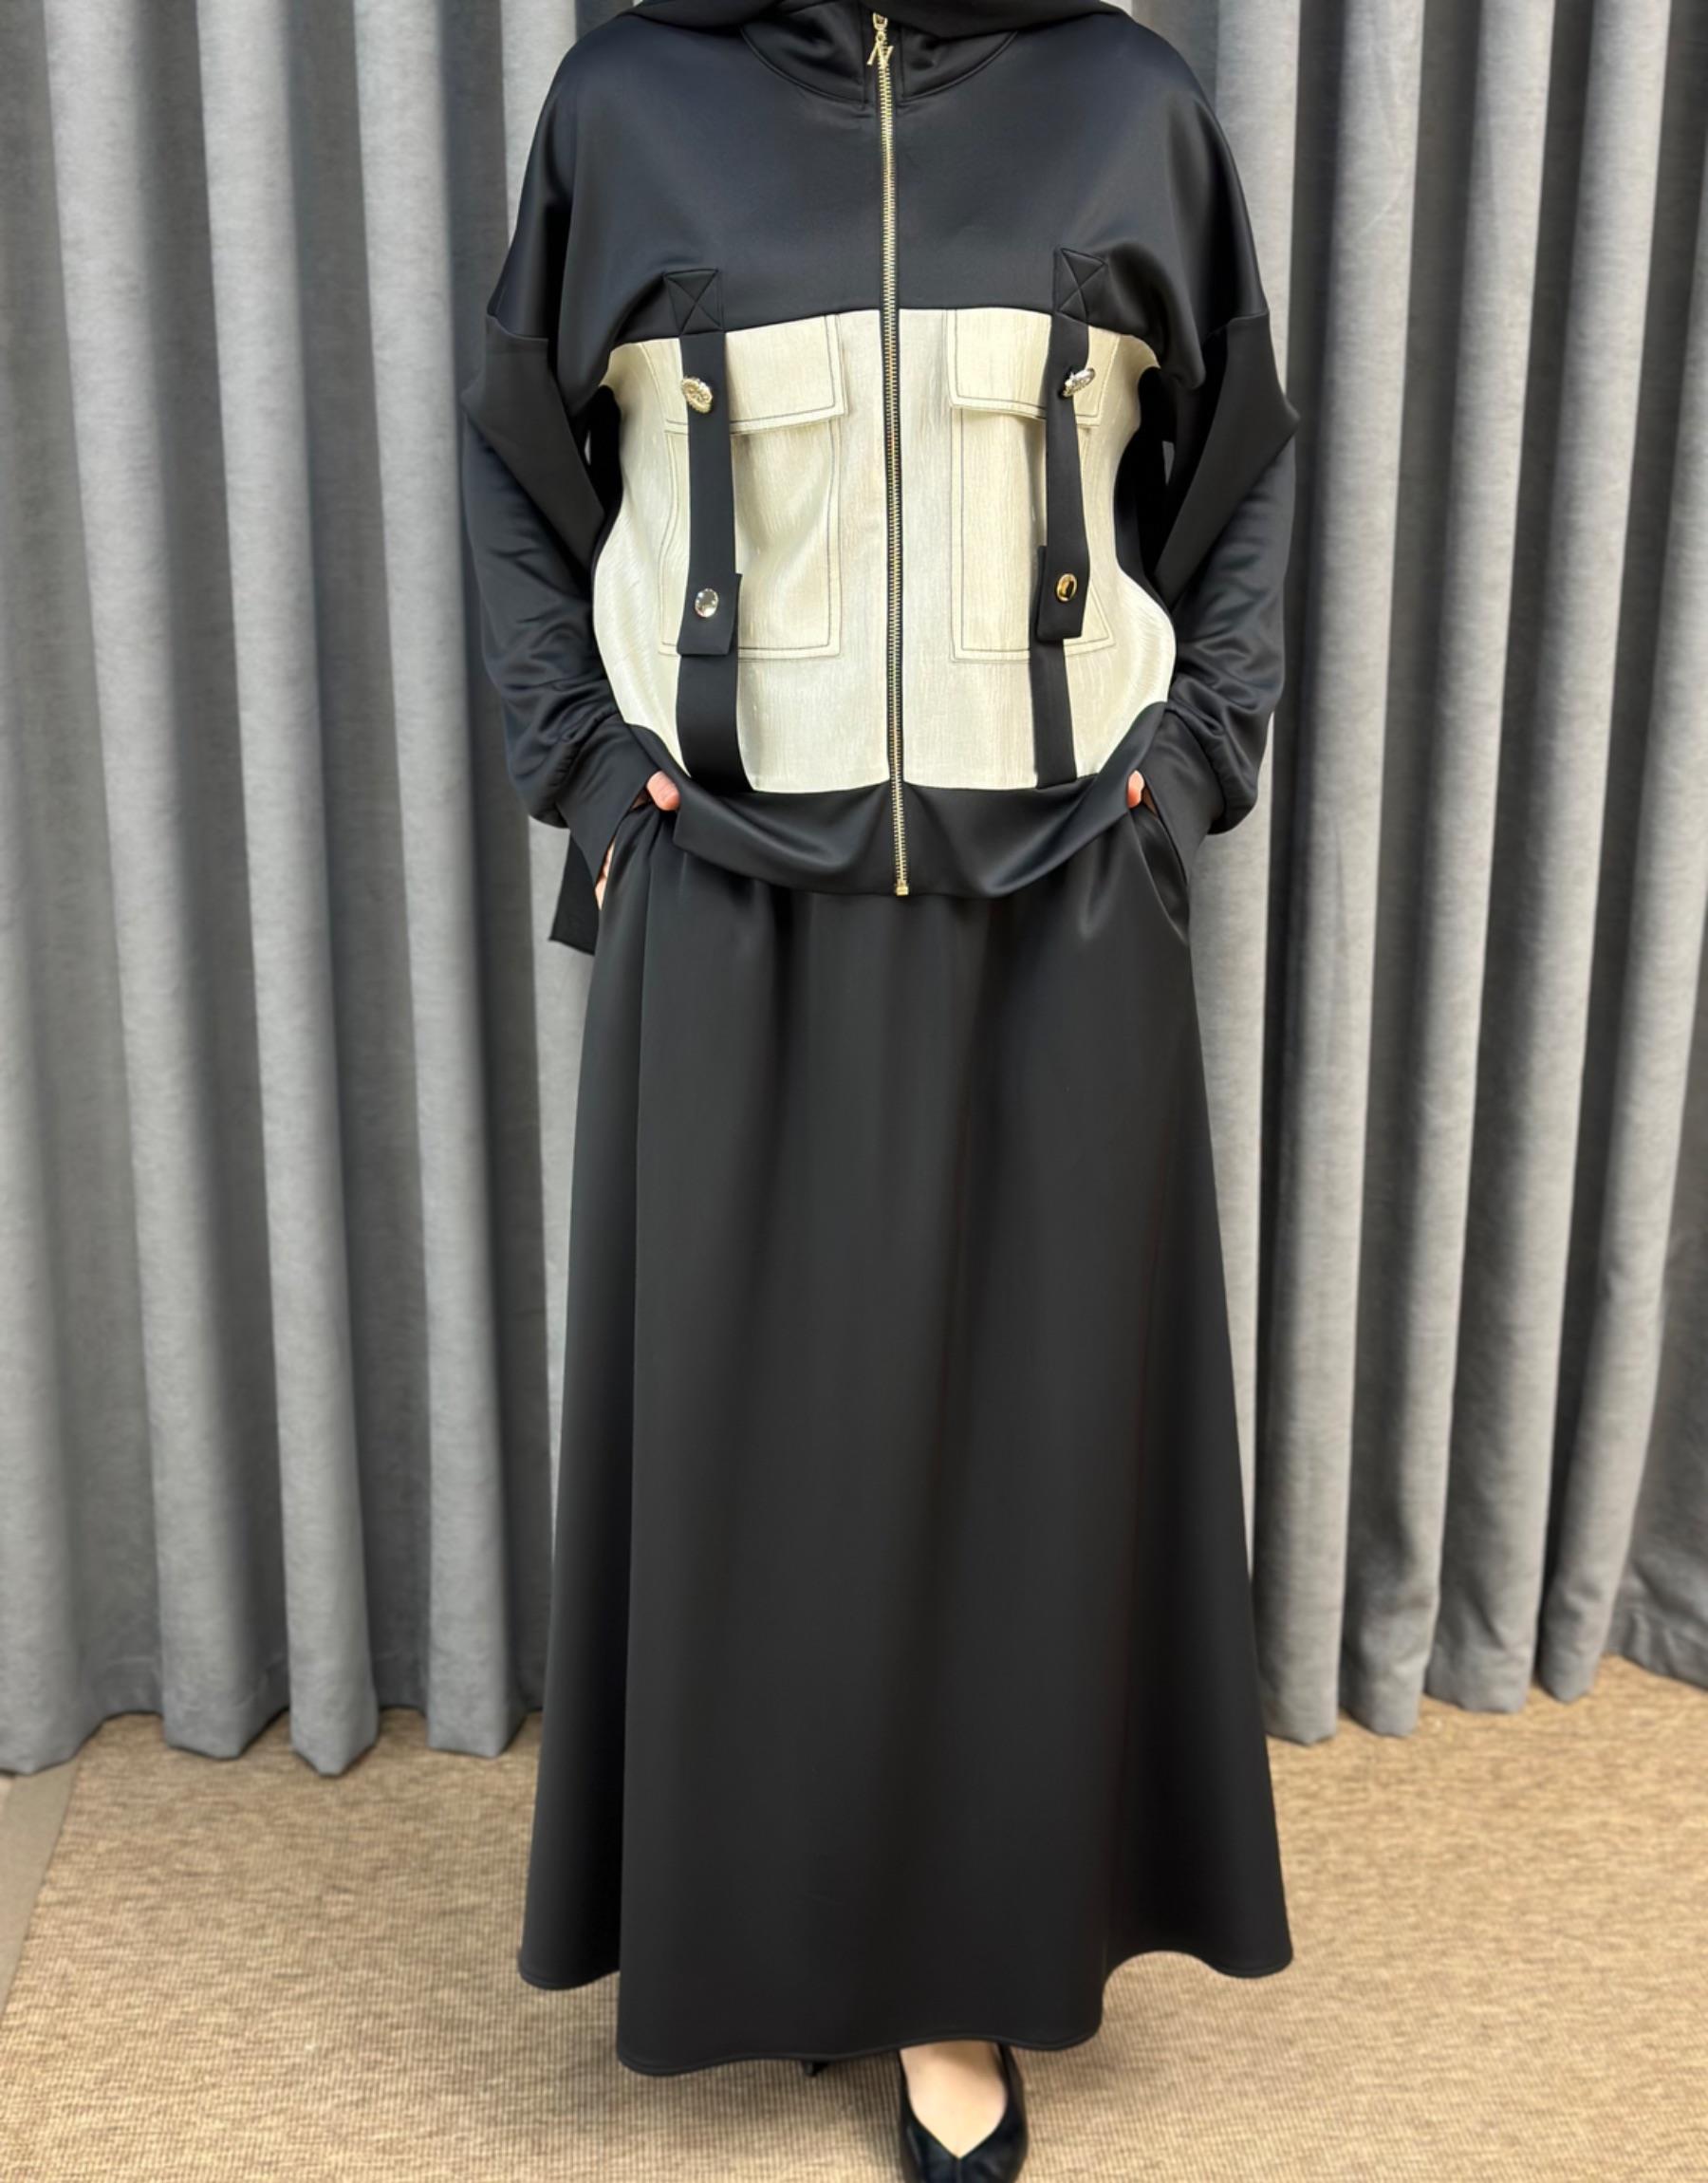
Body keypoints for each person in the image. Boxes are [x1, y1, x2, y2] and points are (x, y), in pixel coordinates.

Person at [460, 1, 1300, 2173]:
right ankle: (760, 1924)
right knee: (759, 1440)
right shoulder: (630, 103)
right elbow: (518, 469)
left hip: (1058, 885)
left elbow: (1241, 469)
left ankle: (958, 1978)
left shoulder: (1128, 104)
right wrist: (588, 770)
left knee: (1026, 1458)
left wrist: (1192, 753)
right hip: (730, 879)